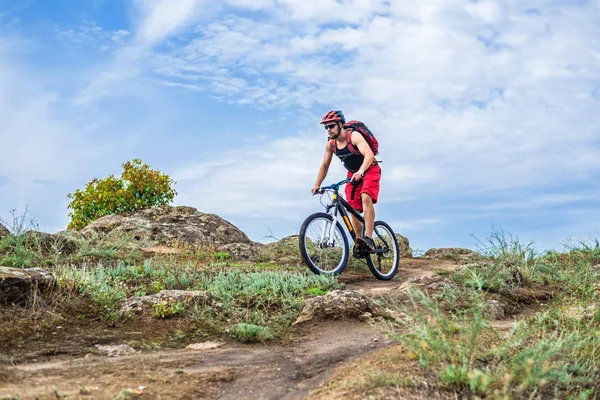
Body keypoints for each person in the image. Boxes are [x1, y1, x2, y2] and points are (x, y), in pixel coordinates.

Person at [311, 110, 382, 251]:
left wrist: (361, 171)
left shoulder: (354, 136)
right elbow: (325, 165)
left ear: (340, 124)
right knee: (353, 207)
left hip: (370, 169)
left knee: (365, 197)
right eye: (326, 127)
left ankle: (368, 237)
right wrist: (317, 184)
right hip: (353, 174)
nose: (328, 130)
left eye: (331, 126)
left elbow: (368, 155)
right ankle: (359, 242)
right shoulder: (330, 144)